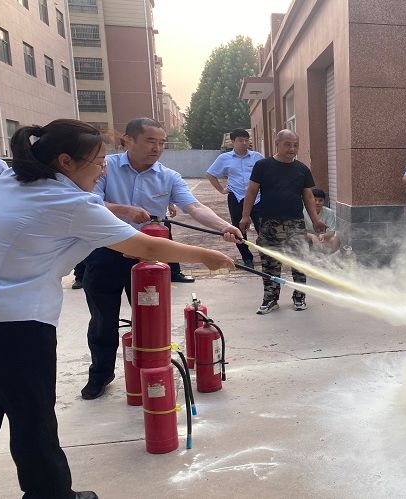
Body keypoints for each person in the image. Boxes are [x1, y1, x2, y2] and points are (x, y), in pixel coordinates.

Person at [0, 119, 234, 499]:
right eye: (98, 161)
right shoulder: (68, 202)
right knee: (33, 418)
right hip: (15, 324)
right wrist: (206, 256)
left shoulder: (14, 180)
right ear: (66, 161)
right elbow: (146, 247)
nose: (103, 169)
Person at [81, 117, 243, 400]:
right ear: (128, 140)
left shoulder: (168, 176)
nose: (157, 148)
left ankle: (151, 372)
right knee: (102, 320)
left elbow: (193, 206)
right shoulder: (105, 167)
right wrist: (124, 210)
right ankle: (101, 374)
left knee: (150, 318)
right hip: (105, 253)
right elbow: (89, 202)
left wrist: (224, 227)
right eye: (150, 141)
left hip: (149, 260)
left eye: (161, 143)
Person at [239, 129, 326, 314]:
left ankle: (299, 297)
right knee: (270, 263)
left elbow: (308, 197)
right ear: (277, 144)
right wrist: (245, 216)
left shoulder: (302, 169)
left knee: (299, 263)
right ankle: (270, 299)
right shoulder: (263, 166)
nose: (292, 149)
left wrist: (316, 220)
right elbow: (251, 192)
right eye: (288, 145)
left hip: (296, 225)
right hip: (269, 224)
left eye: (295, 145)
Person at [206, 128, 263, 267]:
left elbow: (267, 174)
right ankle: (247, 258)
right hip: (236, 197)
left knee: (263, 228)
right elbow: (211, 174)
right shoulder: (224, 158)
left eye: (246, 140)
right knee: (238, 228)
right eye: (240, 140)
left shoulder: (257, 157)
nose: (244, 143)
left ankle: (266, 256)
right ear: (233, 142)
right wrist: (221, 190)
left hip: (257, 198)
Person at [304, 188, 340, 254]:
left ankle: (329, 257)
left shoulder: (329, 212)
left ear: (324, 201)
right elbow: (299, 232)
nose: (317, 203)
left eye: (320, 200)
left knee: (335, 239)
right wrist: (312, 236)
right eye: (315, 200)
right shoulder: (303, 211)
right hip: (307, 237)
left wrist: (323, 236)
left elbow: (332, 232)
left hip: (321, 238)